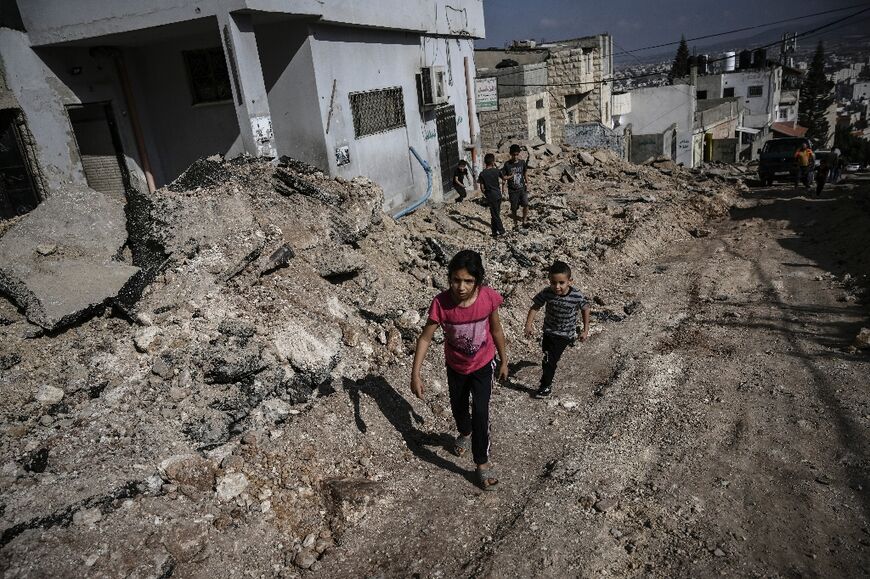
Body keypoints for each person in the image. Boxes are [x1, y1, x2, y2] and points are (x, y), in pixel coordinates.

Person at [410, 250, 508, 490]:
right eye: (456, 280)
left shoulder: (488, 299)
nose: (461, 287)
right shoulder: (441, 304)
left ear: (478, 281)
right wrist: (415, 373)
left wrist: (504, 360)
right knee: (459, 409)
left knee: (481, 412)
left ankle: (482, 464)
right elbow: (425, 338)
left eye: (468, 281)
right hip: (456, 367)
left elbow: (496, 330)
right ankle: (465, 431)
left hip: (484, 365)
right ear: (449, 279)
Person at [524, 260, 591, 399]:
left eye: (561, 283)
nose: (557, 286)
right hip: (548, 331)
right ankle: (546, 377)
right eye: (553, 283)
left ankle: (545, 386)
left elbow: (586, 308)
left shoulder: (576, 296)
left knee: (550, 360)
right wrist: (528, 325)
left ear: (570, 281)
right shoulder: (547, 293)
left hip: (565, 334)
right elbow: (535, 306)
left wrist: (585, 330)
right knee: (546, 355)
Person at [477, 153, 507, 238]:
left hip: (491, 196)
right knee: (495, 213)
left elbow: (482, 188)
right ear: (493, 161)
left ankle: (502, 231)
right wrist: (511, 176)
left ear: (485, 162)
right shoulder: (497, 171)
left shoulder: (482, 174)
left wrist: (486, 194)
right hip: (498, 195)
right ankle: (494, 232)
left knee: (495, 215)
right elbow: (504, 178)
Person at [501, 144, 530, 228]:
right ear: (510, 154)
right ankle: (515, 223)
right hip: (512, 190)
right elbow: (504, 177)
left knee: (526, 204)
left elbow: (525, 173)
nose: (515, 157)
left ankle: (524, 220)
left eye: (517, 154)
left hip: (522, 188)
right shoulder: (507, 164)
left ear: (519, 154)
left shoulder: (522, 163)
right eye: (514, 155)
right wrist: (503, 189)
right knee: (514, 208)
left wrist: (528, 183)